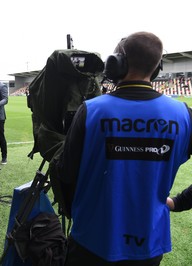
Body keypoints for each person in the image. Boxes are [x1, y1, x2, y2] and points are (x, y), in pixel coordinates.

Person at [55, 32, 192, 265]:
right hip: (148, 245)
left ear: (116, 63)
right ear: (157, 67)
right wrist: (178, 202)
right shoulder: (183, 115)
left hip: (91, 240)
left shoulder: (91, 110)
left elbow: (66, 172)